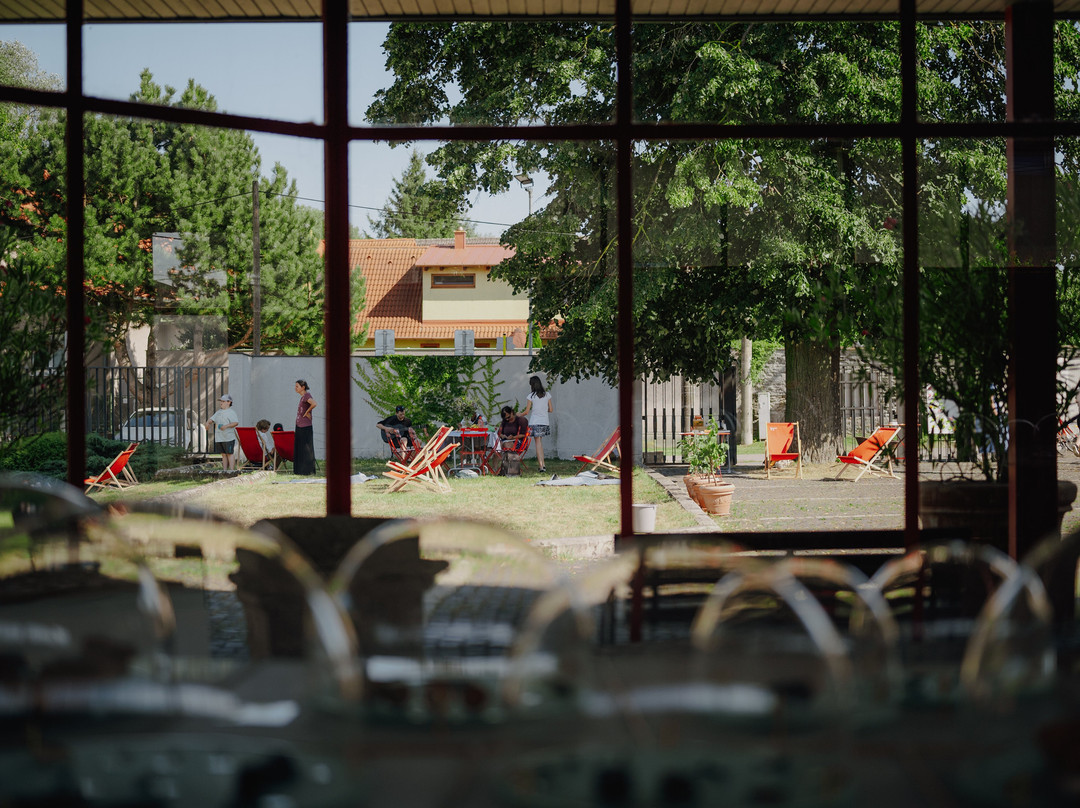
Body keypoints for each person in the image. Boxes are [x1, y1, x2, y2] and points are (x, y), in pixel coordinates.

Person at [522, 375, 553, 473]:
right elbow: (551, 409)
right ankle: (543, 465)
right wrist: (543, 410)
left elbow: (526, 412)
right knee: (540, 444)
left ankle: (541, 466)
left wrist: (519, 414)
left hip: (535, 422)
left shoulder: (531, 396)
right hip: (544, 422)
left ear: (532, 385)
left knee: (537, 444)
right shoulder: (547, 395)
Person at [206, 394, 239, 471]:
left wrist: (226, 426)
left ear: (229, 402)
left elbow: (235, 423)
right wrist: (207, 423)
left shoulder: (231, 412)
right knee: (223, 454)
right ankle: (224, 470)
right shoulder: (218, 412)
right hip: (219, 437)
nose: (221, 403)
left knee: (229, 453)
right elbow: (212, 419)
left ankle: (231, 470)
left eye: (223, 401)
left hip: (228, 437)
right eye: (221, 401)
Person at [294, 380, 317, 475]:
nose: (295, 388)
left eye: (297, 386)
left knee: (306, 448)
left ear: (303, 387)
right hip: (299, 425)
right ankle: (300, 470)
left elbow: (314, 403)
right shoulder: (303, 397)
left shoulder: (307, 396)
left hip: (305, 426)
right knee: (300, 448)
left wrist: (307, 412)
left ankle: (307, 470)